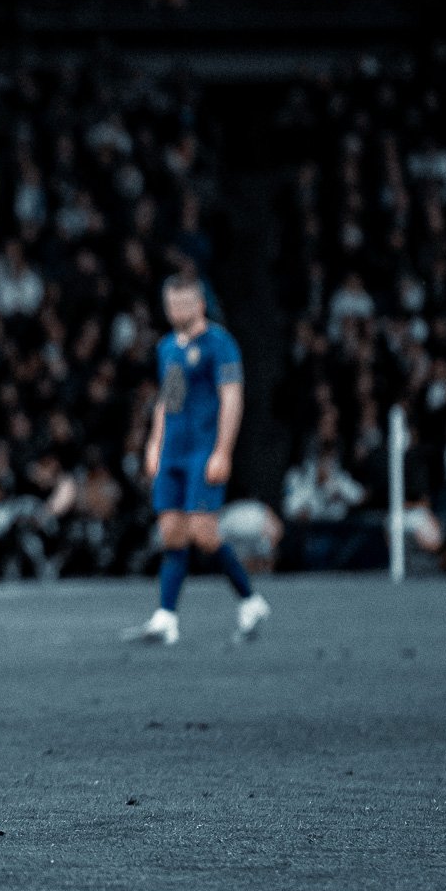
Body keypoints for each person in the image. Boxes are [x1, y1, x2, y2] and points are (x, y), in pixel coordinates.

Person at [129, 273, 271, 645]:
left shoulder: (219, 344)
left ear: (200, 304)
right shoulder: (168, 348)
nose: (177, 310)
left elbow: (231, 398)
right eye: (171, 304)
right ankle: (166, 618)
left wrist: (223, 450)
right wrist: (154, 444)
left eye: (184, 303)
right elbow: (168, 399)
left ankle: (250, 599)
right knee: (171, 533)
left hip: (202, 451)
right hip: (174, 452)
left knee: (204, 533)